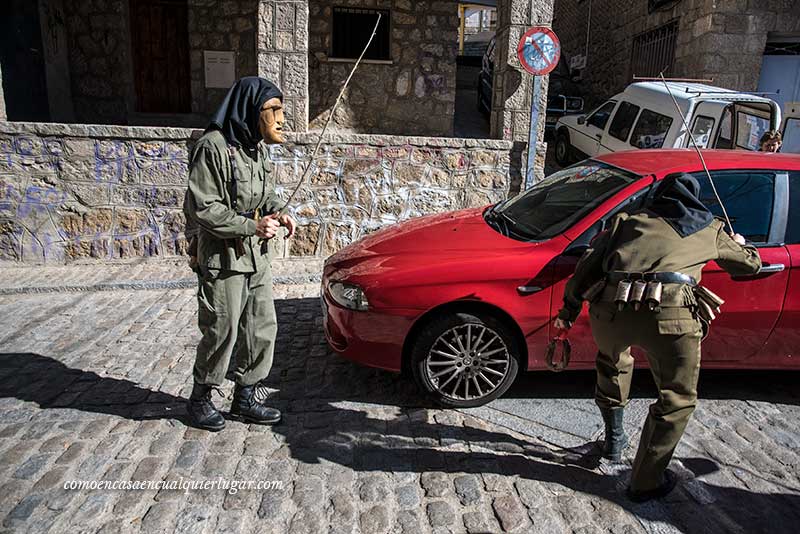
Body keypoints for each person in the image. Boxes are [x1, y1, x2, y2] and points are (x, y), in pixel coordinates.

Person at [554, 174, 761, 502]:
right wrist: (739, 242)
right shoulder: (709, 228)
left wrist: (568, 309)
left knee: (612, 365)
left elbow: (588, 265)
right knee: (676, 398)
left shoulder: (627, 221)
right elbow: (749, 266)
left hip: (611, 310)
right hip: (671, 318)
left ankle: (613, 443)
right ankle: (645, 481)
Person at [183, 77, 296, 431]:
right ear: (250, 109)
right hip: (223, 258)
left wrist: (279, 210)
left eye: (281, 109)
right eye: (272, 109)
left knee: (261, 328)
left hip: (256, 257)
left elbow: (264, 194)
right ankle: (200, 397)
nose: (280, 118)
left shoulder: (256, 149)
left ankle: (245, 397)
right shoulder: (213, 147)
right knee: (222, 330)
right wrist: (251, 227)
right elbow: (203, 207)